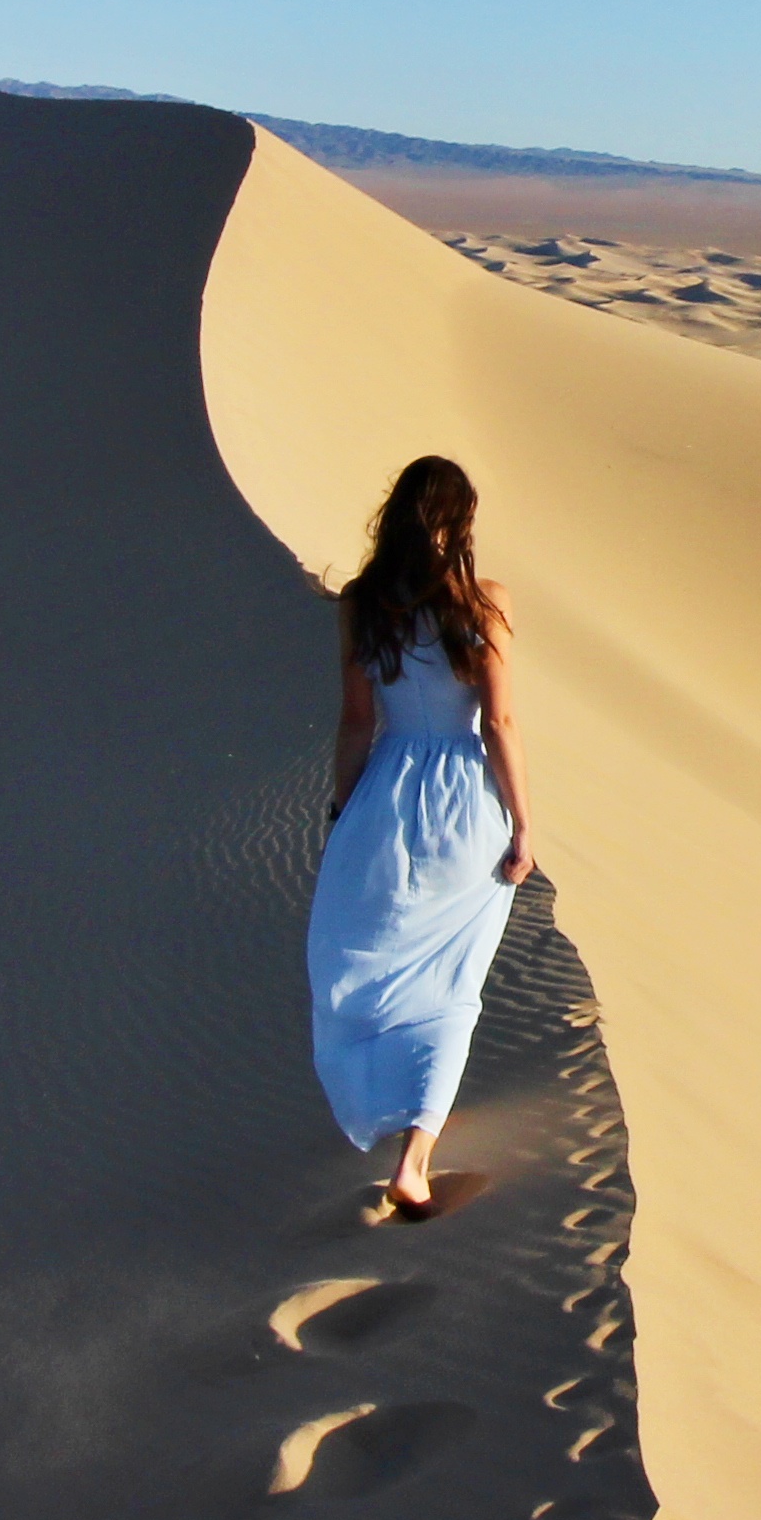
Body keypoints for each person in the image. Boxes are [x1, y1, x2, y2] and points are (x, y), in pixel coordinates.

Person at [306, 453, 537, 1222]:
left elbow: (357, 721)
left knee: (373, 966)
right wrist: (524, 823)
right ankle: (414, 1158)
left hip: (385, 800)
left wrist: (342, 811)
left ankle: (387, 1112)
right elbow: (499, 722)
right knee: (452, 984)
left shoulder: (363, 603)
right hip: (468, 804)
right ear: (460, 520)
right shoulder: (485, 602)